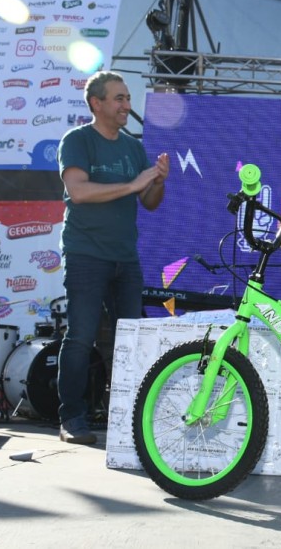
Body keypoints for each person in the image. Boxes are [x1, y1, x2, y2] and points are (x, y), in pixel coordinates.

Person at [56, 71, 169, 445]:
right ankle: (72, 418)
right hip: (86, 254)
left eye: (127, 98)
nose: (126, 105)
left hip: (126, 258)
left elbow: (149, 204)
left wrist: (157, 182)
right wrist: (135, 183)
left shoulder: (132, 147)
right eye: (119, 98)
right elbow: (80, 192)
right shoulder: (77, 140)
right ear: (97, 103)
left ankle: (129, 417)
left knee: (132, 341)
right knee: (81, 337)